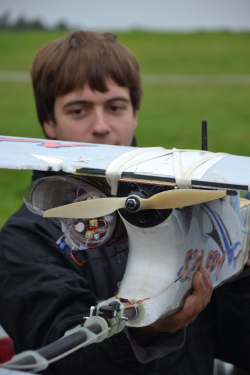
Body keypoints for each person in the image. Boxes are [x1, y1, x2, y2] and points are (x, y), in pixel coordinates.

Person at [0, 30, 249, 375]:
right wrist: (145, 332)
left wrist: (240, 271)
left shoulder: (188, 206)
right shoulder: (24, 239)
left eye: (115, 107)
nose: (101, 126)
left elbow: (240, 345)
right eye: (79, 110)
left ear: (134, 114)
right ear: (48, 124)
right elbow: (63, 354)